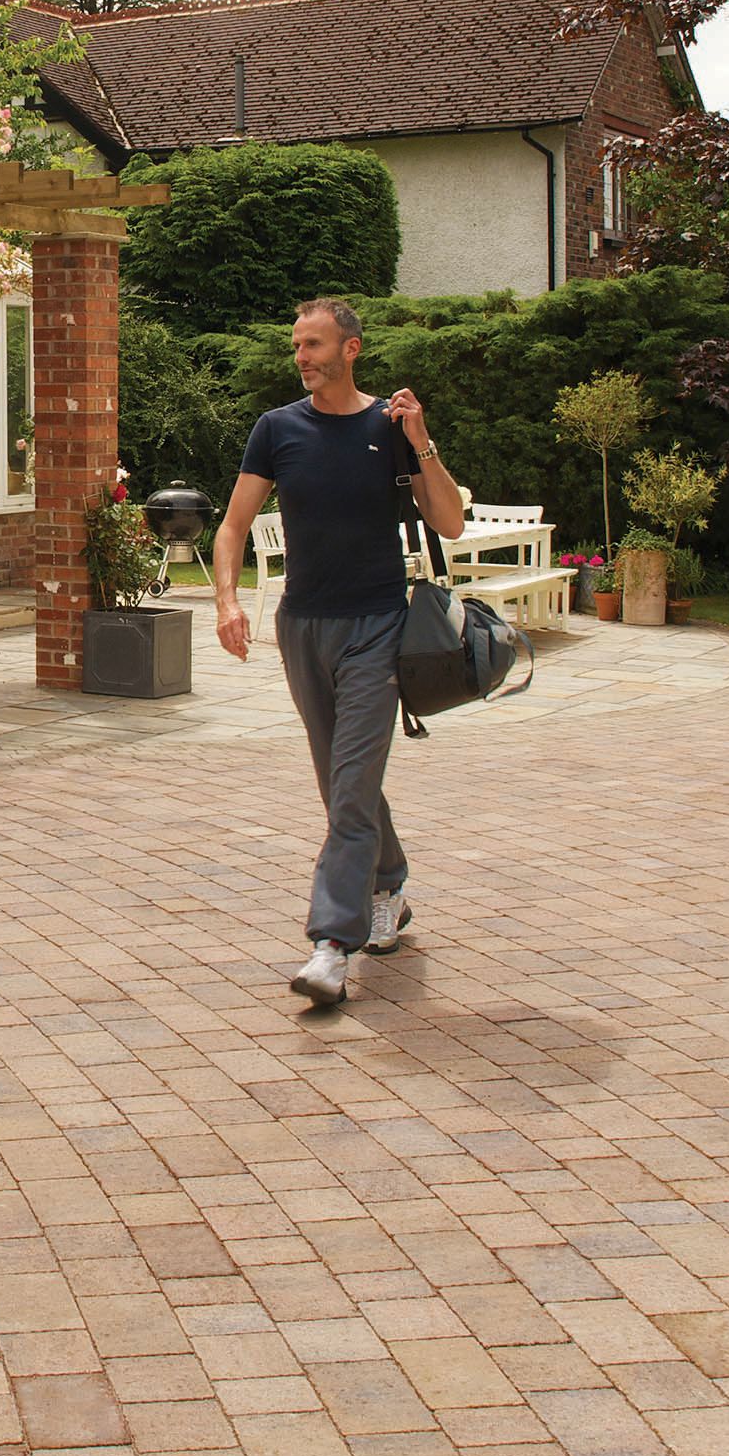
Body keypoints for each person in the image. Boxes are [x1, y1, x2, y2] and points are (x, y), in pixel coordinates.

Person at [205, 298, 465, 1006]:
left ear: (352, 349)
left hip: (377, 626)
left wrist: (423, 438)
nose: (303, 356)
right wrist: (228, 601)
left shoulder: (391, 429)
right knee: (340, 778)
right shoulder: (277, 429)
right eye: (297, 345)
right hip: (303, 626)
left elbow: (450, 521)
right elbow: (232, 528)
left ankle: (331, 945)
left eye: (315, 344)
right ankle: (390, 887)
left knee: (349, 787)